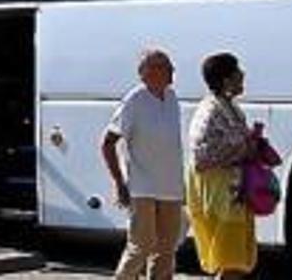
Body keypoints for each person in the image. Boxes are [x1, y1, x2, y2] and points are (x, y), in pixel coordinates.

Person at [101, 49, 184, 280]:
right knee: (141, 246)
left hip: (171, 187)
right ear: (149, 72)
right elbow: (108, 143)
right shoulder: (134, 100)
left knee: (166, 250)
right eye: (166, 66)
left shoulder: (172, 98)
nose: (172, 71)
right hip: (142, 186)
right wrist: (119, 182)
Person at [186, 53, 259, 280]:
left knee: (233, 260)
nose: (243, 74)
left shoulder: (228, 106)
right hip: (222, 196)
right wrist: (245, 149)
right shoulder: (211, 110)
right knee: (231, 262)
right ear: (227, 80)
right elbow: (201, 157)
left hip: (233, 192)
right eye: (237, 71)